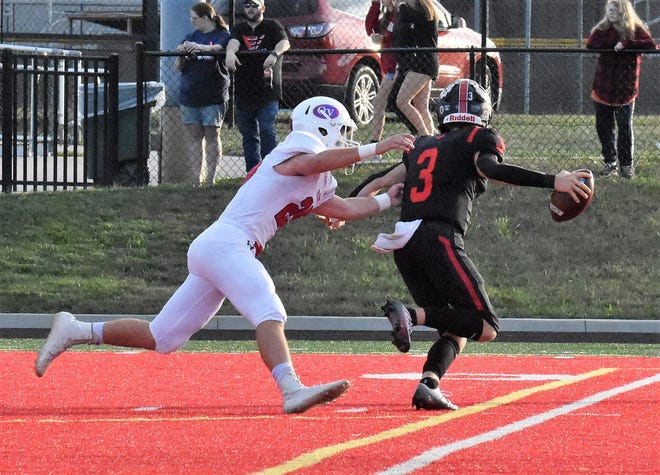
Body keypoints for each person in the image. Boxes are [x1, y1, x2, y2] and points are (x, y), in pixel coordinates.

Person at [34, 96, 415, 415]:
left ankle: (77, 330)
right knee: (269, 309)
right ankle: (291, 388)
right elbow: (311, 164)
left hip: (219, 248)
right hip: (228, 243)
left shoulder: (321, 175)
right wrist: (375, 149)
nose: (345, 140)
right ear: (324, 125)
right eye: (343, 132)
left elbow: (343, 209)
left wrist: (384, 200)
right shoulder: (300, 147)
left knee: (162, 336)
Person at [354, 79, 592, 410]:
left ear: (443, 113)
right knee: (486, 325)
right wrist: (554, 180)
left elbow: (379, 181)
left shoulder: (423, 144)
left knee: (455, 325)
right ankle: (409, 314)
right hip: (439, 236)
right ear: (483, 113)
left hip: (405, 244)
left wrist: (346, 207)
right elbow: (489, 168)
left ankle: (429, 384)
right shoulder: (479, 137)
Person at [585, 0, 657, 179]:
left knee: (625, 127)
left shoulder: (635, 30)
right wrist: (612, 46)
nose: (610, 13)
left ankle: (626, 166)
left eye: (614, 10)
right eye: (608, 10)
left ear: (623, 11)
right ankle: (610, 163)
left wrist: (627, 45)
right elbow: (591, 44)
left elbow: (651, 45)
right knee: (604, 127)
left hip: (626, 90)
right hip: (603, 88)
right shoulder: (602, 29)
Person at [224, 0, 290, 174]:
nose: (251, 8)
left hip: (267, 90)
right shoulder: (239, 28)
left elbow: (284, 43)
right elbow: (233, 42)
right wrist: (230, 53)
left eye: (254, 5)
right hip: (244, 90)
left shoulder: (272, 26)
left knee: (267, 129)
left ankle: (271, 170)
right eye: (247, 5)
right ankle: (253, 172)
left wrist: (274, 55)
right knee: (249, 134)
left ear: (262, 8)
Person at [174, 2, 231, 185]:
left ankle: (210, 179)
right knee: (195, 138)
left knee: (212, 135)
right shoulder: (190, 37)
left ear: (206, 18)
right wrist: (182, 52)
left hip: (213, 95)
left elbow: (218, 49)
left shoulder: (222, 35)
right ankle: (196, 180)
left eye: (195, 19)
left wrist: (199, 47)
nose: (192, 22)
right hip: (190, 95)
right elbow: (177, 67)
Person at [391, 0, 440, 136]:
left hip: (423, 62)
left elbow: (403, 31)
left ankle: (424, 135)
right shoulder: (418, 10)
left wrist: (401, 8)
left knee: (402, 100)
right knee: (421, 105)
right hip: (424, 61)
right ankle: (432, 140)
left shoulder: (421, 11)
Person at [365, 0, 399, 143]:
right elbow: (370, 28)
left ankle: (426, 134)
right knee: (379, 103)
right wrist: (375, 5)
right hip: (389, 69)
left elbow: (396, 36)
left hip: (399, 67)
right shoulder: (387, 15)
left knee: (409, 106)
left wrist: (383, 39)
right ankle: (375, 141)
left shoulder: (399, 13)